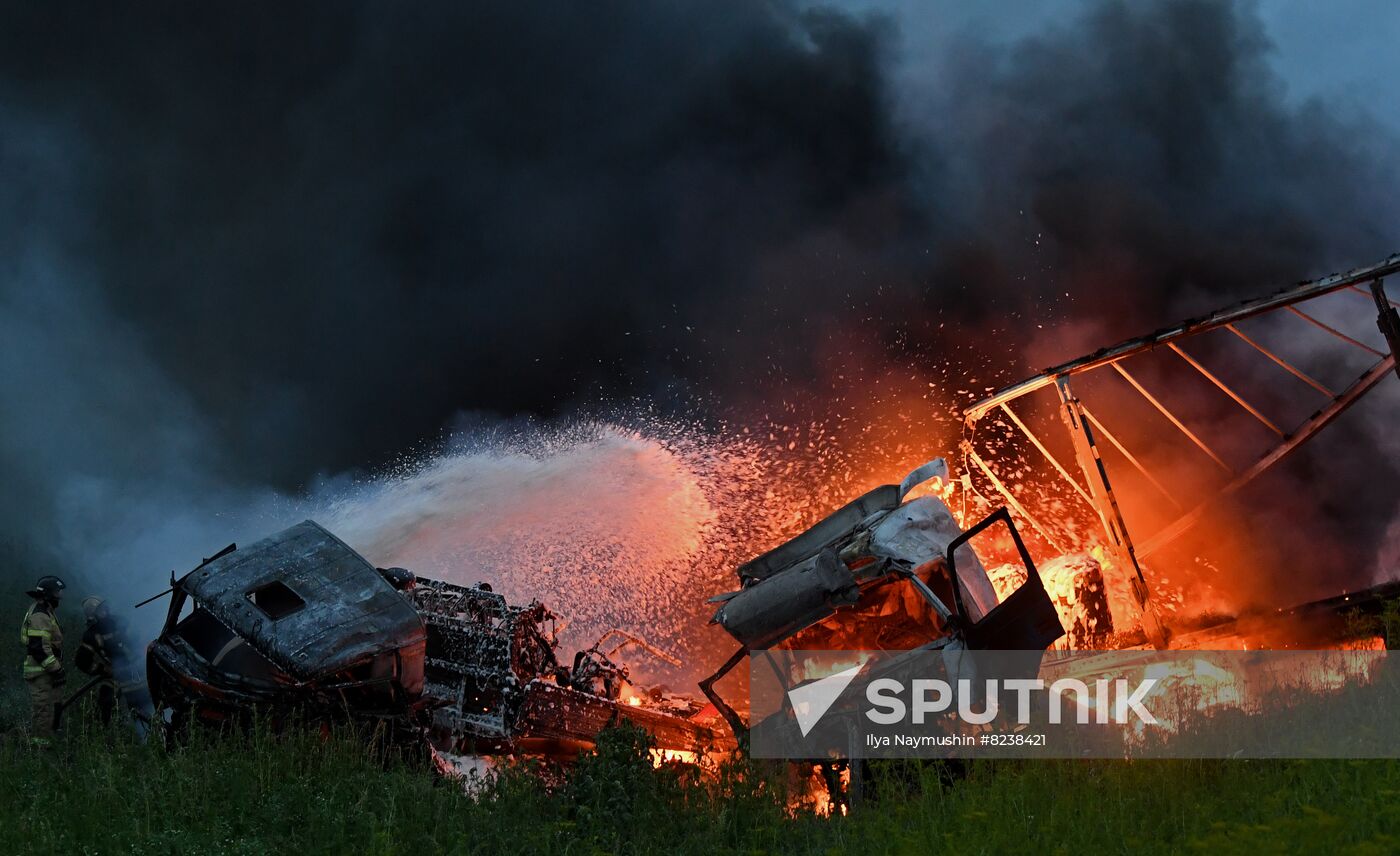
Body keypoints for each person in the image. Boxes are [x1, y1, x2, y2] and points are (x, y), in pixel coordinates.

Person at [75, 596, 152, 728]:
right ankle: (105, 734)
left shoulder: (119, 621)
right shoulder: (92, 635)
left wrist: (144, 653)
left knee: (146, 704)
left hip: (138, 671)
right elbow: (82, 661)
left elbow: (136, 639)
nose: (105, 611)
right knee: (106, 702)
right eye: (100, 610)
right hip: (116, 675)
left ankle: (152, 733)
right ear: (93, 616)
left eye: (105, 608)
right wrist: (104, 670)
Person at [20, 575, 66, 745]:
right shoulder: (40, 615)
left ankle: (50, 742)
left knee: (53, 708)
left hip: (46, 672)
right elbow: (38, 648)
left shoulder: (45, 611)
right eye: (57, 593)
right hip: (40, 672)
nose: (60, 597)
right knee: (43, 710)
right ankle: (40, 752)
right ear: (48, 595)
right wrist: (56, 669)